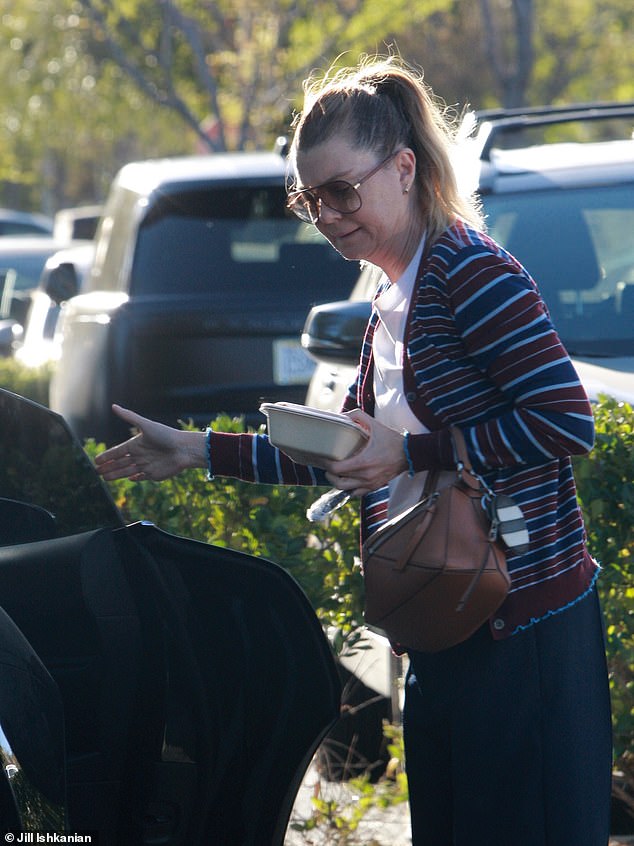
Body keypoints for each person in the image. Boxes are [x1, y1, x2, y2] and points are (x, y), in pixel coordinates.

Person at [95, 56, 613, 846]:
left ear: (404, 169)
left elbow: (565, 422)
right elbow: (344, 453)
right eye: (311, 198)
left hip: (522, 631)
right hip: (447, 625)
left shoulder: (471, 274)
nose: (329, 214)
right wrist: (199, 451)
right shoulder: (386, 302)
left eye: (343, 190)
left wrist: (413, 455)